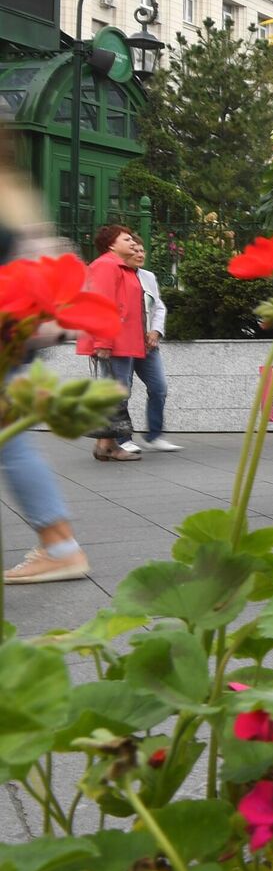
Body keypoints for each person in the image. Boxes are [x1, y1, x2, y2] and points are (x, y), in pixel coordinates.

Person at [1, 142, 91, 583]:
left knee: (9, 438)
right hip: (18, 329)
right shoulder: (14, 186)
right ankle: (59, 544)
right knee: (9, 436)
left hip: (9, 328)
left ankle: (60, 545)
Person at [78, 224, 147, 463]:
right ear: (111, 245)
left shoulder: (120, 267)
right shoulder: (107, 266)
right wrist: (103, 341)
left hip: (121, 342)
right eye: (126, 239)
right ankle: (111, 446)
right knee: (116, 394)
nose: (132, 243)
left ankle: (104, 445)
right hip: (112, 343)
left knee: (116, 394)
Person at [129, 246, 181, 453]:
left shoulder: (148, 276)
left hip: (148, 345)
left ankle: (154, 435)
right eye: (135, 251)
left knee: (159, 388)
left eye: (143, 250)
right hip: (124, 344)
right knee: (122, 391)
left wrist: (156, 331)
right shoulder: (117, 274)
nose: (141, 254)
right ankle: (122, 437)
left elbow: (158, 306)